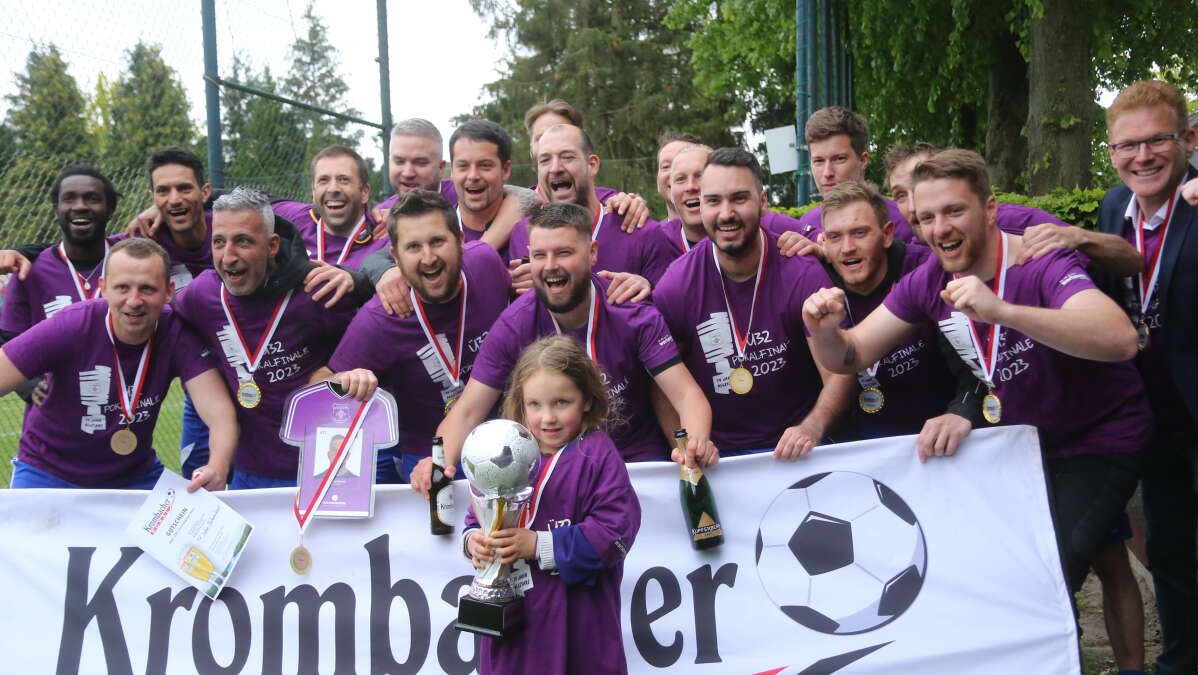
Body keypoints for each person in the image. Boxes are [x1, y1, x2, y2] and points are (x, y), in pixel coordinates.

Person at [802, 148, 1149, 598]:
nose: (939, 228)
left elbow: (1118, 338)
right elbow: (851, 355)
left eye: (953, 211)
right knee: (1001, 572)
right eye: (926, 217)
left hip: (1095, 440)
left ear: (988, 210)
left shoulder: (1039, 262)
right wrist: (825, 330)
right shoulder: (928, 280)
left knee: (1046, 577)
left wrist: (1004, 311)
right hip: (1021, 448)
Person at [410, 202, 717, 496]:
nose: (551, 266)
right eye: (540, 255)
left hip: (635, 467)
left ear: (592, 253)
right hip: (556, 474)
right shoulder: (515, 324)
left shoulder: (631, 312)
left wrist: (695, 442)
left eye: (564, 252)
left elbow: (686, 395)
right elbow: (467, 411)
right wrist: (436, 462)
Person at [1092, 79, 1198, 675]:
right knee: (1170, 550)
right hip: (1155, 415)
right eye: (1127, 146)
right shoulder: (1113, 209)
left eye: (1158, 140)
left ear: (1187, 139)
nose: (1143, 156)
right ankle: (1180, 662)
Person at [654, 148, 855, 458]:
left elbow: (840, 372)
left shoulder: (800, 272)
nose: (725, 213)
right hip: (719, 460)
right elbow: (661, 384)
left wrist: (813, 427)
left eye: (739, 198)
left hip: (797, 454)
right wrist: (686, 448)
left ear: (762, 202)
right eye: (713, 201)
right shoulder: (677, 284)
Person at [465, 335, 640, 675]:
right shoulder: (503, 451)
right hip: (515, 623)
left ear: (587, 400)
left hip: (578, 622)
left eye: (561, 402)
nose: (548, 418)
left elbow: (615, 531)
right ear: (520, 402)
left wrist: (538, 544)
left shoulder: (598, 454)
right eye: (535, 405)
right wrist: (474, 542)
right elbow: (476, 516)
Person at [2, 238, 236, 490]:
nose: (134, 301)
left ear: (168, 291)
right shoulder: (70, 325)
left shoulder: (176, 333)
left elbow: (220, 414)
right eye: (123, 288)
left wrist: (217, 466)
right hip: (47, 472)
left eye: (147, 289)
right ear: (104, 288)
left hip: (134, 476)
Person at [313, 189, 512, 480]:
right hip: (426, 458)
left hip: (505, 438)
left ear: (459, 241)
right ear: (395, 256)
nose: (428, 257)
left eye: (437, 242)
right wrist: (344, 381)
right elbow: (319, 385)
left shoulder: (486, 264)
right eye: (414, 247)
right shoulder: (380, 318)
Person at [174, 188, 366, 489]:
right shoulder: (202, 296)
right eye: (219, 242)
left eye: (243, 241)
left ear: (272, 245)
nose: (228, 256)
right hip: (249, 472)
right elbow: (163, 327)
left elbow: (374, 334)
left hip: (326, 471)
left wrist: (341, 371)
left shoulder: (316, 291)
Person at [792, 180, 983, 446]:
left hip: (939, 440)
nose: (847, 248)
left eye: (859, 233)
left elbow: (975, 363)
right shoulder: (815, 285)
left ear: (888, 234)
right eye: (835, 237)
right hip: (865, 449)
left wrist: (960, 412)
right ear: (823, 242)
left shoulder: (925, 270)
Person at [884, 142, 1142, 275]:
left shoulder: (1020, 222)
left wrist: (1078, 237)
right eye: (901, 195)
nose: (915, 206)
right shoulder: (915, 252)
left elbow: (1130, 263)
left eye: (927, 187)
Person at [506, 124, 675, 286]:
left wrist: (648, 289)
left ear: (592, 165)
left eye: (567, 157)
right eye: (545, 160)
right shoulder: (522, 232)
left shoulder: (641, 232)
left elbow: (667, 307)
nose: (555, 168)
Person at [792, 107, 916, 243]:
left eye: (839, 159)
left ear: (863, 160)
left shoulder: (903, 219)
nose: (827, 173)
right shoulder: (808, 223)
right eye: (819, 161)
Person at [270, 145, 389, 269]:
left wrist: (357, 279)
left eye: (344, 179)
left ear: (364, 192)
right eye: (323, 180)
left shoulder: (384, 233)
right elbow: (254, 199)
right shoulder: (297, 217)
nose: (333, 189)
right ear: (313, 191)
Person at [655, 131, 704, 220]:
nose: (674, 173)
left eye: (686, 164)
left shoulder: (728, 231)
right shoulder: (650, 233)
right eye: (666, 166)